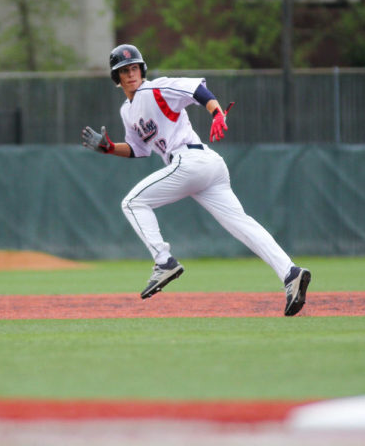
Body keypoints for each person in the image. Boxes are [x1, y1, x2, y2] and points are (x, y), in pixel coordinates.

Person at [81, 44, 311, 316]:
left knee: (132, 203)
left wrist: (216, 112)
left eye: (134, 68)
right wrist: (108, 148)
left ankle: (164, 261)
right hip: (203, 167)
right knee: (242, 224)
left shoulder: (154, 89)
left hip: (191, 161)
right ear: (116, 78)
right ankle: (291, 273)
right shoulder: (127, 111)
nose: (131, 74)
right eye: (124, 70)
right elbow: (138, 150)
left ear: (142, 70)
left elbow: (195, 90)